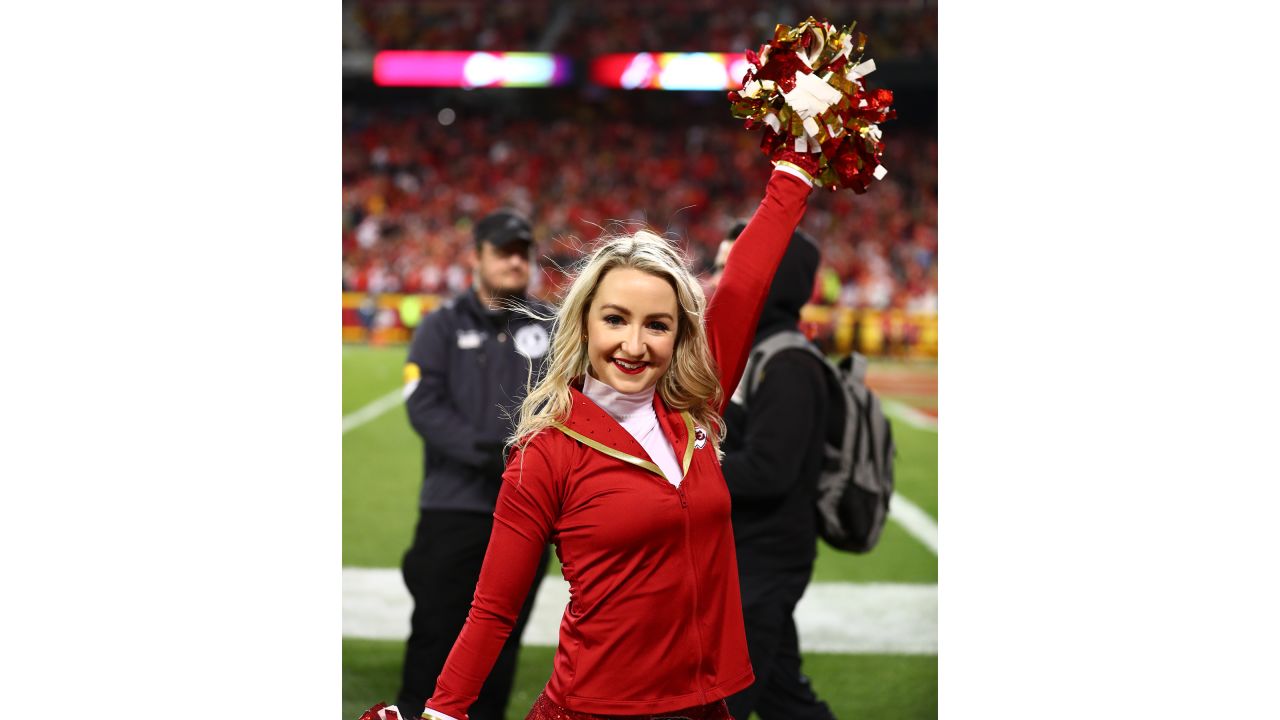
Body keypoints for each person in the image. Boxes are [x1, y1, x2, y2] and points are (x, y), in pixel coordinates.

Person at [416, 147, 821, 720]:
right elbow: (493, 611)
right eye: (615, 319)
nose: (634, 345)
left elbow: (746, 283)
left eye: (657, 325)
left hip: (706, 705)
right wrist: (442, 711)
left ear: (681, 335)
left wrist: (796, 166)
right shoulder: (545, 452)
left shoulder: (694, 411)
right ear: (583, 323)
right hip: (598, 710)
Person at [396, 209, 553, 720]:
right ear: (477, 256)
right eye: (503, 250)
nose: (515, 261)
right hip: (453, 505)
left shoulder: (551, 328)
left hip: (525, 511)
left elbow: (567, 402)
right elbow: (424, 405)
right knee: (435, 634)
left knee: (501, 641)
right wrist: (490, 452)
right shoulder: (440, 325)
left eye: (522, 252)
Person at [714, 223, 838, 720]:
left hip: (765, 558)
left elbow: (769, 471)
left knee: (719, 701)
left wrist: (686, 468)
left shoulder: (787, 362)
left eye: (732, 268)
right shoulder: (755, 348)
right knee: (784, 696)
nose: (719, 280)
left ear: (771, 278)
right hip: (748, 554)